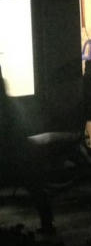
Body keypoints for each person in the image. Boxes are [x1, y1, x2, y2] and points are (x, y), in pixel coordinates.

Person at [0, 66, 55, 234]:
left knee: (34, 187)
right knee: (35, 187)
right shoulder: (11, 105)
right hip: (21, 152)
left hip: (12, 153)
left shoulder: (7, 106)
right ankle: (47, 223)